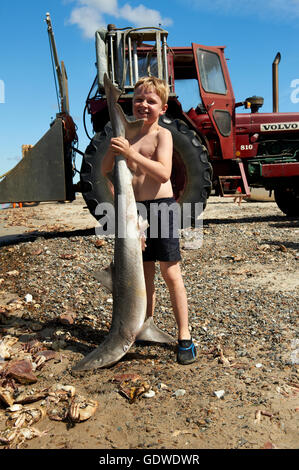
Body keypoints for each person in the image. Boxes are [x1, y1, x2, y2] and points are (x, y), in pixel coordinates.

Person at [101, 76, 196, 365]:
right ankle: (145, 325)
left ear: (163, 108)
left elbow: (164, 173)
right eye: (138, 99)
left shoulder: (161, 135)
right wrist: (115, 149)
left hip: (162, 209)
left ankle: (184, 335)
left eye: (151, 101)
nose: (144, 104)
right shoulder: (128, 137)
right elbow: (106, 170)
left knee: (171, 274)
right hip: (135, 212)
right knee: (144, 276)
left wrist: (131, 154)